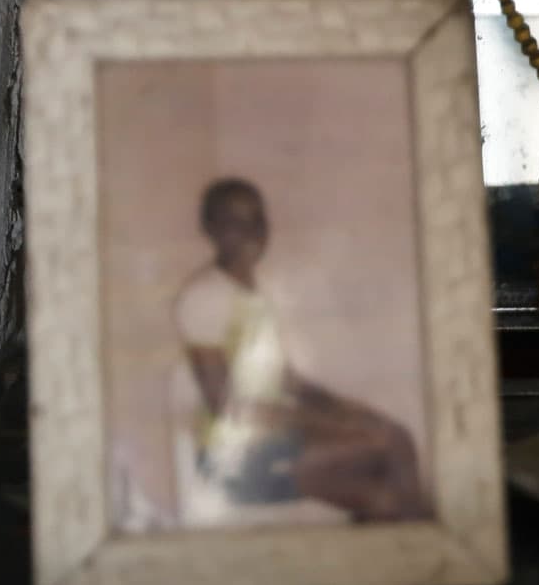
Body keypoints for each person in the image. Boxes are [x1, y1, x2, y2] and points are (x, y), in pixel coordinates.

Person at [173, 178, 434, 525]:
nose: (250, 232)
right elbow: (225, 406)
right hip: (233, 458)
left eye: (257, 220)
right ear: (210, 227)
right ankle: (413, 546)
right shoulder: (203, 297)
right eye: (234, 221)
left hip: (273, 437)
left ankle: (414, 545)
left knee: (392, 441)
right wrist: (323, 421)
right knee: (385, 478)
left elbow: (283, 379)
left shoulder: (255, 293)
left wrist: (341, 408)